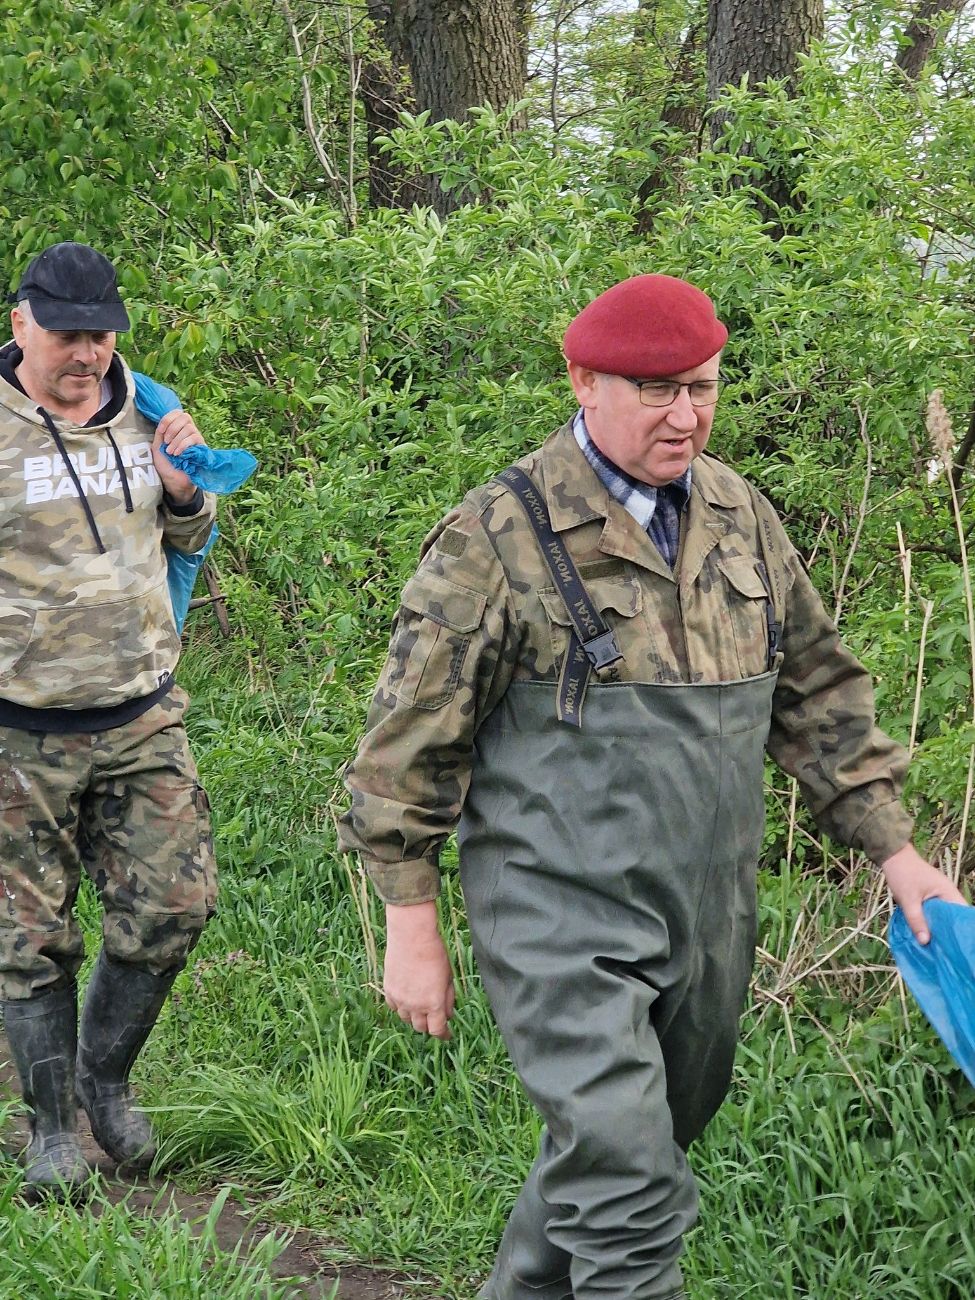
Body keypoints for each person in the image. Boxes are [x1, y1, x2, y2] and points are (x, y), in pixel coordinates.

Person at [339, 273, 967, 1299]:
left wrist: (899, 854)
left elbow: (818, 697)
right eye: (657, 390)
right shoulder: (501, 535)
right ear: (584, 381)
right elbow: (407, 747)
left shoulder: (739, 515)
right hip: (559, 917)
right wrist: (412, 922)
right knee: (630, 1201)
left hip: (707, 914)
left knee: (622, 1151)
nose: (686, 415)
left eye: (704, 388)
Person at [0, 242, 218, 1195]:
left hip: (141, 710)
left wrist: (183, 491)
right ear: (21, 324)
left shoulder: (153, 411)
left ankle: (105, 1082)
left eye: (99, 334)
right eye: (66, 334)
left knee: (175, 905)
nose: (85, 353)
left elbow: (190, 535)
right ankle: (51, 1130)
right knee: (26, 934)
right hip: (17, 725)